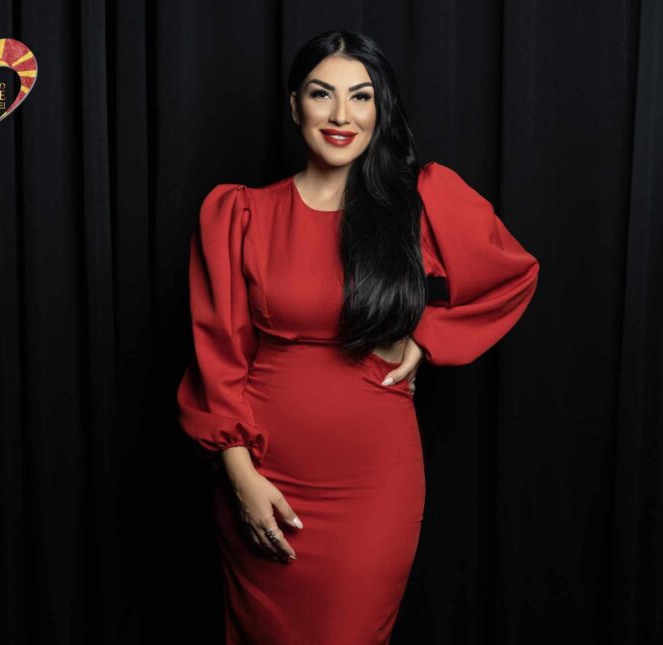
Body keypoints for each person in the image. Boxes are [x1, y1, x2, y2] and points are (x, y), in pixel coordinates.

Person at [176, 30, 539, 645]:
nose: (342, 115)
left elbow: (513, 275)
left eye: (361, 96)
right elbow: (219, 354)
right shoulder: (239, 213)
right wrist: (240, 478)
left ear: (381, 108)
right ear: (295, 106)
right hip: (264, 473)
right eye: (322, 94)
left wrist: (429, 335)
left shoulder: (419, 202)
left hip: (373, 487)